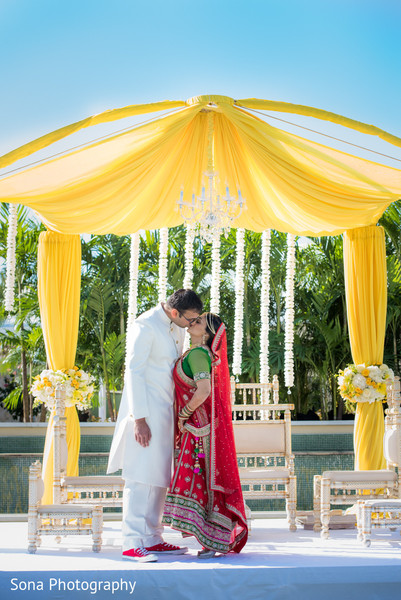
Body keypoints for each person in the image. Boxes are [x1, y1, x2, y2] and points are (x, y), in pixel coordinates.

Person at [107, 289, 203, 562]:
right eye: (191, 319)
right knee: (140, 477)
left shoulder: (177, 326)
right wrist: (139, 419)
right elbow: (133, 371)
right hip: (146, 414)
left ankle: (152, 537)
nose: (192, 324)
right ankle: (131, 542)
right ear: (175, 312)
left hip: (167, 414)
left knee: (160, 477)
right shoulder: (145, 325)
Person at [162, 313, 248, 558]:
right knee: (204, 482)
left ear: (208, 333)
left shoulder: (199, 354)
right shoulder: (196, 353)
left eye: (198, 322)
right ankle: (212, 540)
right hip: (198, 428)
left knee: (202, 482)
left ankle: (213, 540)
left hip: (197, 429)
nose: (193, 322)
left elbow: (203, 390)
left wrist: (183, 415)